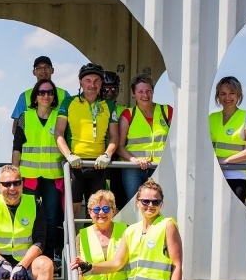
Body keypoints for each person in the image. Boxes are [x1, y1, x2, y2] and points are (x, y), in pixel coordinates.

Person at [55, 63, 119, 216]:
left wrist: (107, 155)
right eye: (88, 80)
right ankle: (72, 240)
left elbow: (115, 135)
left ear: (101, 83)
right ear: (80, 82)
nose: (92, 85)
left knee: (98, 210)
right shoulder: (69, 102)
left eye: (97, 81)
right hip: (76, 164)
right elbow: (58, 132)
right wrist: (69, 155)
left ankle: (94, 240)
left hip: (99, 165)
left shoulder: (108, 105)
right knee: (73, 211)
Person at [12, 79, 63, 265]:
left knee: (51, 216)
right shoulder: (25, 117)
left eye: (50, 92)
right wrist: (14, 172)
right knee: (28, 215)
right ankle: (26, 255)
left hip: (53, 175)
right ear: (35, 96)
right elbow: (17, 145)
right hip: (29, 176)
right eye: (42, 92)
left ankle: (48, 256)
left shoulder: (60, 116)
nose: (46, 96)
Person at [117, 73, 173, 200]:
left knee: (159, 204)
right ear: (133, 94)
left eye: (148, 90)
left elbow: (178, 139)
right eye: (140, 91)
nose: (145, 95)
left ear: (153, 92)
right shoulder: (128, 114)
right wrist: (134, 160)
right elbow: (119, 147)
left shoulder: (166, 111)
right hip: (134, 169)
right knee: (135, 204)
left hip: (160, 167)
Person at [208, 76, 246, 204]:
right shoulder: (211, 118)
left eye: (232, 93)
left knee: (235, 217)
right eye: (223, 94)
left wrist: (226, 161)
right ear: (217, 96)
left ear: (238, 95)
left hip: (237, 176)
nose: (227, 97)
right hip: (214, 175)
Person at [10, 56, 68, 135]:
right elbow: (16, 128)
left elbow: (72, 123)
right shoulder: (24, 96)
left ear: (52, 70)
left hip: (57, 146)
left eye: (46, 67)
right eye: (39, 68)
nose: (43, 70)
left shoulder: (64, 95)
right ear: (34, 72)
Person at [101, 71, 128, 210]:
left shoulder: (124, 110)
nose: (109, 93)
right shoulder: (96, 108)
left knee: (120, 197)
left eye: (113, 89)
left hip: (119, 160)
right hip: (99, 158)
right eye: (106, 89)